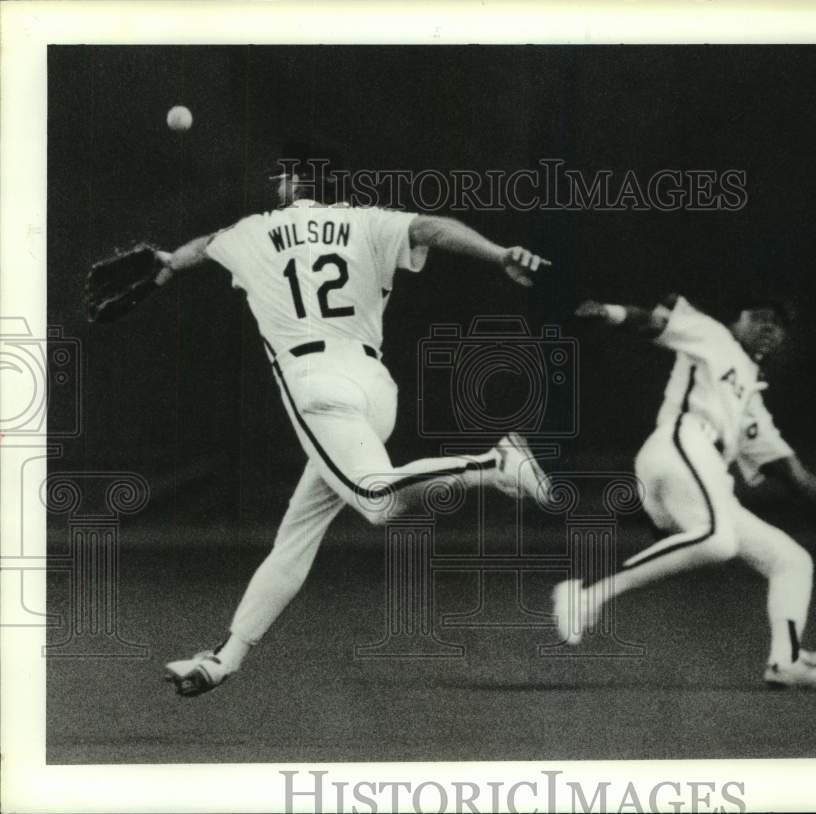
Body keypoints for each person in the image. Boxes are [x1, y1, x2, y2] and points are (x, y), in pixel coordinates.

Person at [159, 147, 554, 696]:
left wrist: (165, 264)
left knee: (376, 500)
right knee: (298, 532)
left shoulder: (254, 229)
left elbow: (202, 247)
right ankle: (224, 658)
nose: (278, 185)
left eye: (282, 178)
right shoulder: (368, 221)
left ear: (292, 184)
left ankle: (492, 463)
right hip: (374, 387)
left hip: (317, 386)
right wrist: (498, 253)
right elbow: (432, 228)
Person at [554, 294, 816, 689]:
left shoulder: (750, 401)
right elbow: (652, 321)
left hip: (705, 475)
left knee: (791, 560)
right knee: (718, 540)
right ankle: (587, 593)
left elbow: (796, 477)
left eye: (778, 324)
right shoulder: (713, 335)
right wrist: (610, 312)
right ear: (737, 320)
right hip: (680, 444)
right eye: (760, 316)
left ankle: (785, 660)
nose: (769, 327)